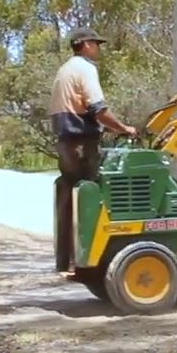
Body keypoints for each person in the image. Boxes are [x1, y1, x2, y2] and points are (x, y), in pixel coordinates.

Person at [50, 26, 136, 271]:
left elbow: (76, 110)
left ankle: (67, 260)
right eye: (96, 44)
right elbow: (98, 108)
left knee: (70, 195)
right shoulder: (85, 69)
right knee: (94, 194)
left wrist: (105, 127)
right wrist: (123, 128)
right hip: (81, 144)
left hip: (65, 142)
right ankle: (95, 260)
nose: (98, 48)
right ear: (86, 44)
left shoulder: (64, 70)